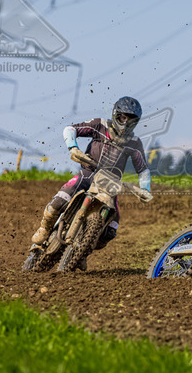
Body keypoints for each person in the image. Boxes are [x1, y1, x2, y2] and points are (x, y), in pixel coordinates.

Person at [31, 96, 152, 268]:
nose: (126, 123)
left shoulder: (134, 143)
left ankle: (83, 249)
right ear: (115, 114)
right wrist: (73, 147)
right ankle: (44, 228)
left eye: (131, 120)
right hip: (88, 173)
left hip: (110, 184)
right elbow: (70, 129)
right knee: (59, 201)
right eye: (122, 118)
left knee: (111, 230)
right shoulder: (100, 125)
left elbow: (143, 169)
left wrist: (145, 189)